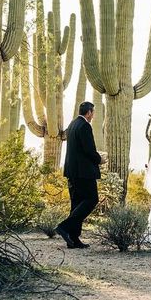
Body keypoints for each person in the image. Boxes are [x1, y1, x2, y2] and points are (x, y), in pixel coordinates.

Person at [55, 101, 104, 249]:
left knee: (76, 203)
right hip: (84, 172)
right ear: (89, 112)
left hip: (72, 171)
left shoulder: (72, 125)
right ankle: (64, 226)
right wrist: (99, 159)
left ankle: (73, 240)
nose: (93, 116)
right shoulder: (84, 126)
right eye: (93, 113)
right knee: (91, 199)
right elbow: (88, 150)